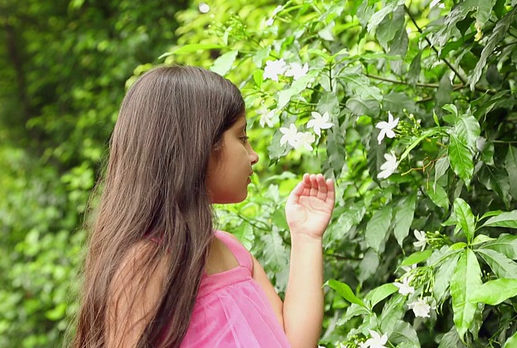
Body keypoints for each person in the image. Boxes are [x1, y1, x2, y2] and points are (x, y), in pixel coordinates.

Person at [72, 66, 335, 348]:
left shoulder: (232, 252)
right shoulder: (144, 264)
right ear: (198, 146)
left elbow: (293, 342)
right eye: (242, 137)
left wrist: (306, 237)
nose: (254, 155)